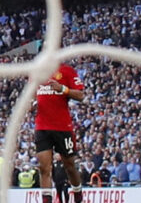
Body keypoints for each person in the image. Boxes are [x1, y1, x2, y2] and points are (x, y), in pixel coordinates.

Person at [33, 63, 86, 203]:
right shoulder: (36, 72)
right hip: (42, 127)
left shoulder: (67, 71)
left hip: (62, 127)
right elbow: (32, 96)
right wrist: (31, 105)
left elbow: (80, 95)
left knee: (69, 165)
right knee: (44, 168)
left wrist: (62, 89)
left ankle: (78, 195)